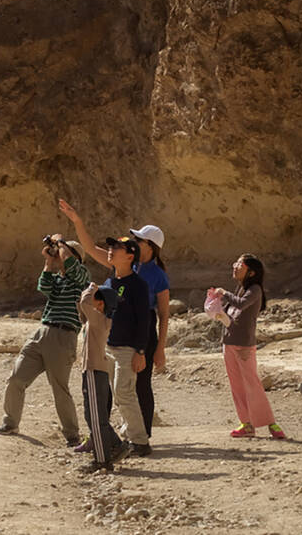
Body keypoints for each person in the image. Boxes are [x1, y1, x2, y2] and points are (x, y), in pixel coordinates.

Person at [57, 201, 153, 456]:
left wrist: (141, 351)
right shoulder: (112, 279)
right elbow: (89, 247)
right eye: (110, 248)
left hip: (127, 349)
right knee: (105, 397)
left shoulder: (138, 285)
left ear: (130, 255)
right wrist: (77, 221)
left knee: (123, 393)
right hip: (108, 347)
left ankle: (140, 441)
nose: (110, 251)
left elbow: (144, 319)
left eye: (117, 248)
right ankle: (105, 437)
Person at [0, 234, 89, 443]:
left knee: (59, 389)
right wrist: (49, 261)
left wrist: (60, 242)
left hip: (64, 336)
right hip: (41, 332)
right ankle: (10, 422)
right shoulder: (58, 279)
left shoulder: (82, 277)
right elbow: (43, 287)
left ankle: (72, 434)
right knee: (16, 378)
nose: (59, 254)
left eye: (63, 252)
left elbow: (72, 265)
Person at [212, 254, 287, 440]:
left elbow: (242, 304)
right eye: (236, 261)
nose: (235, 265)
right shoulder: (241, 288)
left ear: (251, 272)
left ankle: (272, 424)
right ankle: (246, 424)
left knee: (252, 385)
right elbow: (232, 311)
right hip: (229, 343)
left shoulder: (254, 290)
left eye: (240, 264)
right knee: (237, 386)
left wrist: (223, 293)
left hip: (243, 345)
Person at [77, 282, 130, 472]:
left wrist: (92, 287)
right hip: (95, 370)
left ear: (100, 304)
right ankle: (116, 445)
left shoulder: (99, 319)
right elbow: (82, 309)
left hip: (93, 371)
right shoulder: (98, 320)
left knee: (96, 417)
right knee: (92, 416)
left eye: (95, 300)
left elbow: (84, 303)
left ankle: (102, 460)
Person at [128, 224, 169, 441]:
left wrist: (160, 349)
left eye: (139, 240)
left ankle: (143, 434)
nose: (135, 242)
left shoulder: (158, 275)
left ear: (150, 246)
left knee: (142, 383)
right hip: (127, 327)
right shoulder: (129, 265)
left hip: (146, 328)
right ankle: (132, 429)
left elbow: (163, 314)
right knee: (125, 382)